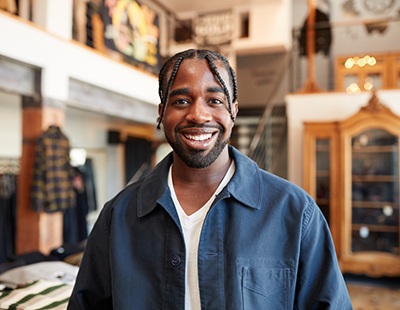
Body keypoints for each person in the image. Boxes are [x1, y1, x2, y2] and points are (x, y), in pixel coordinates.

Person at [68, 49, 352, 309]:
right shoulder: (118, 216)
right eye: (181, 101)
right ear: (161, 112)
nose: (198, 114)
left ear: (234, 112)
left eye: (214, 100)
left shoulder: (294, 211)